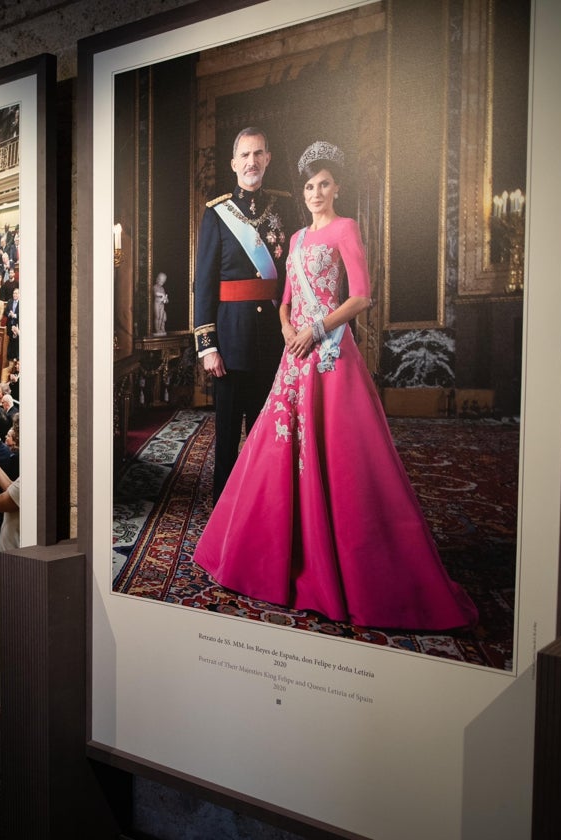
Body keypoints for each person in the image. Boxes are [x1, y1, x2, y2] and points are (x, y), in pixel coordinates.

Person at [194, 142, 479, 632]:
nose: (316, 192)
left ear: (337, 186)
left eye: (324, 184)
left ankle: (334, 549)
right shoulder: (271, 228)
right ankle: (260, 543)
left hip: (320, 353)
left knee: (338, 454)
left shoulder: (340, 227)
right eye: (309, 185)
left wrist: (312, 330)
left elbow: (359, 295)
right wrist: (243, 336)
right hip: (272, 347)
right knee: (258, 451)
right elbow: (239, 289)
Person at [193, 126, 293, 502]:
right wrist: (208, 347)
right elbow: (203, 283)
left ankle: (263, 510)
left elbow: (288, 277)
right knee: (227, 440)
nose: (252, 161)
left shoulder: (283, 208)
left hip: (272, 340)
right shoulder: (216, 214)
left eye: (258, 154)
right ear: (234, 164)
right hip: (230, 345)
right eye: (245, 156)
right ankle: (225, 514)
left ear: (268, 159)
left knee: (268, 434)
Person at [152, 272, 168, 336]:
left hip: (162, 304)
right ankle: (157, 329)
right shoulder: (155, 287)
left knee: (161, 317)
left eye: (163, 282)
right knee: (157, 316)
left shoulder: (162, 288)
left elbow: (165, 297)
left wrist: (166, 299)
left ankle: (161, 328)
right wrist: (162, 295)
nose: (162, 283)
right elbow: (156, 293)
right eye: (161, 281)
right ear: (158, 279)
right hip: (157, 304)